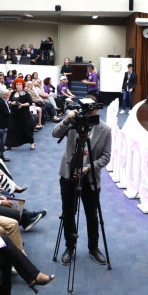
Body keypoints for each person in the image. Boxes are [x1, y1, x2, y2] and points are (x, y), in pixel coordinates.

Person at [52, 97, 112, 266]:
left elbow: (106, 157)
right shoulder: (73, 122)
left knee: (92, 215)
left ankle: (93, 248)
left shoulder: (105, 129)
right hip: (68, 174)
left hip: (90, 177)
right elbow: (55, 133)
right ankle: (69, 247)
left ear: (97, 109)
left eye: (90, 108)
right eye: (84, 107)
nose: (87, 111)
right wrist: (66, 120)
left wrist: (90, 167)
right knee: (68, 213)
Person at [5, 79, 35, 150]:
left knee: (26, 129)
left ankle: (32, 143)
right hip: (14, 113)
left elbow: (30, 102)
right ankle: (9, 144)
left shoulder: (25, 93)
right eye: (17, 84)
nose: (18, 86)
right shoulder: (13, 93)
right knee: (11, 129)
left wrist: (22, 105)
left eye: (20, 84)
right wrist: (11, 103)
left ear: (22, 85)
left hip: (24, 114)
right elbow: (9, 101)